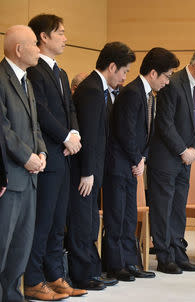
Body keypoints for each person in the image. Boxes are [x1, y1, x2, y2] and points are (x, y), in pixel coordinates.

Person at [24, 14, 87, 300]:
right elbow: (40, 111)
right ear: (43, 37)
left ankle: (54, 275)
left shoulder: (60, 72)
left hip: (64, 156)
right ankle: (34, 280)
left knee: (58, 219)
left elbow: (69, 108)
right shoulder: (34, 70)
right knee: (43, 221)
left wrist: (74, 134)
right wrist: (65, 137)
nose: (65, 37)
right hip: (47, 155)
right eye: (59, 32)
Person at [103, 47, 179, 280]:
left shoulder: (149, 96)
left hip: (133, 162)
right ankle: (116, 265)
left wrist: (142, 157)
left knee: (128, 216)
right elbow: (125, 132)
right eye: (166, 76)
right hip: (119, 164)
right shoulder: (132, 93)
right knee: (116, 216)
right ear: (154, 73)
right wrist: (137, 158)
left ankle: (130, 262)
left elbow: (148, 133)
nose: (167, 82)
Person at [67, 41, 135, 290]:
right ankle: (83, 274)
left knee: (91, 222)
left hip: (93, 170)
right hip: (85, 171)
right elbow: (88, 135)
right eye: (125, 71)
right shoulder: (93, 90)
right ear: (112, 66)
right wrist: (87, 172)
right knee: (83, 223)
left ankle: (92, 270)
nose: (125, 76)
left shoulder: (100, 89)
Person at [148, 45, 195, 274]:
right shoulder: (173, 83)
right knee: (163, 207)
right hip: (165, 156)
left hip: (186, 158)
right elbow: (165, 122)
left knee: (179, 206)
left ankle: (178, 252)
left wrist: (193, 149)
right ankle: (163, 255)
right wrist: (182, 149)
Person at [0, 25, 47, 302]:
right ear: (19, 49)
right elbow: (3, 129)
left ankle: (11, 297)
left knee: (21, 245)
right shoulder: (1, 78)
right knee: (3, 245)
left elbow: (34, 126)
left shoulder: (26, 79)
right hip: (11, 175)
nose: (38, 49)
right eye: (34, 44)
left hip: (30, 177)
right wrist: (26, 156)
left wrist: (40, 153)